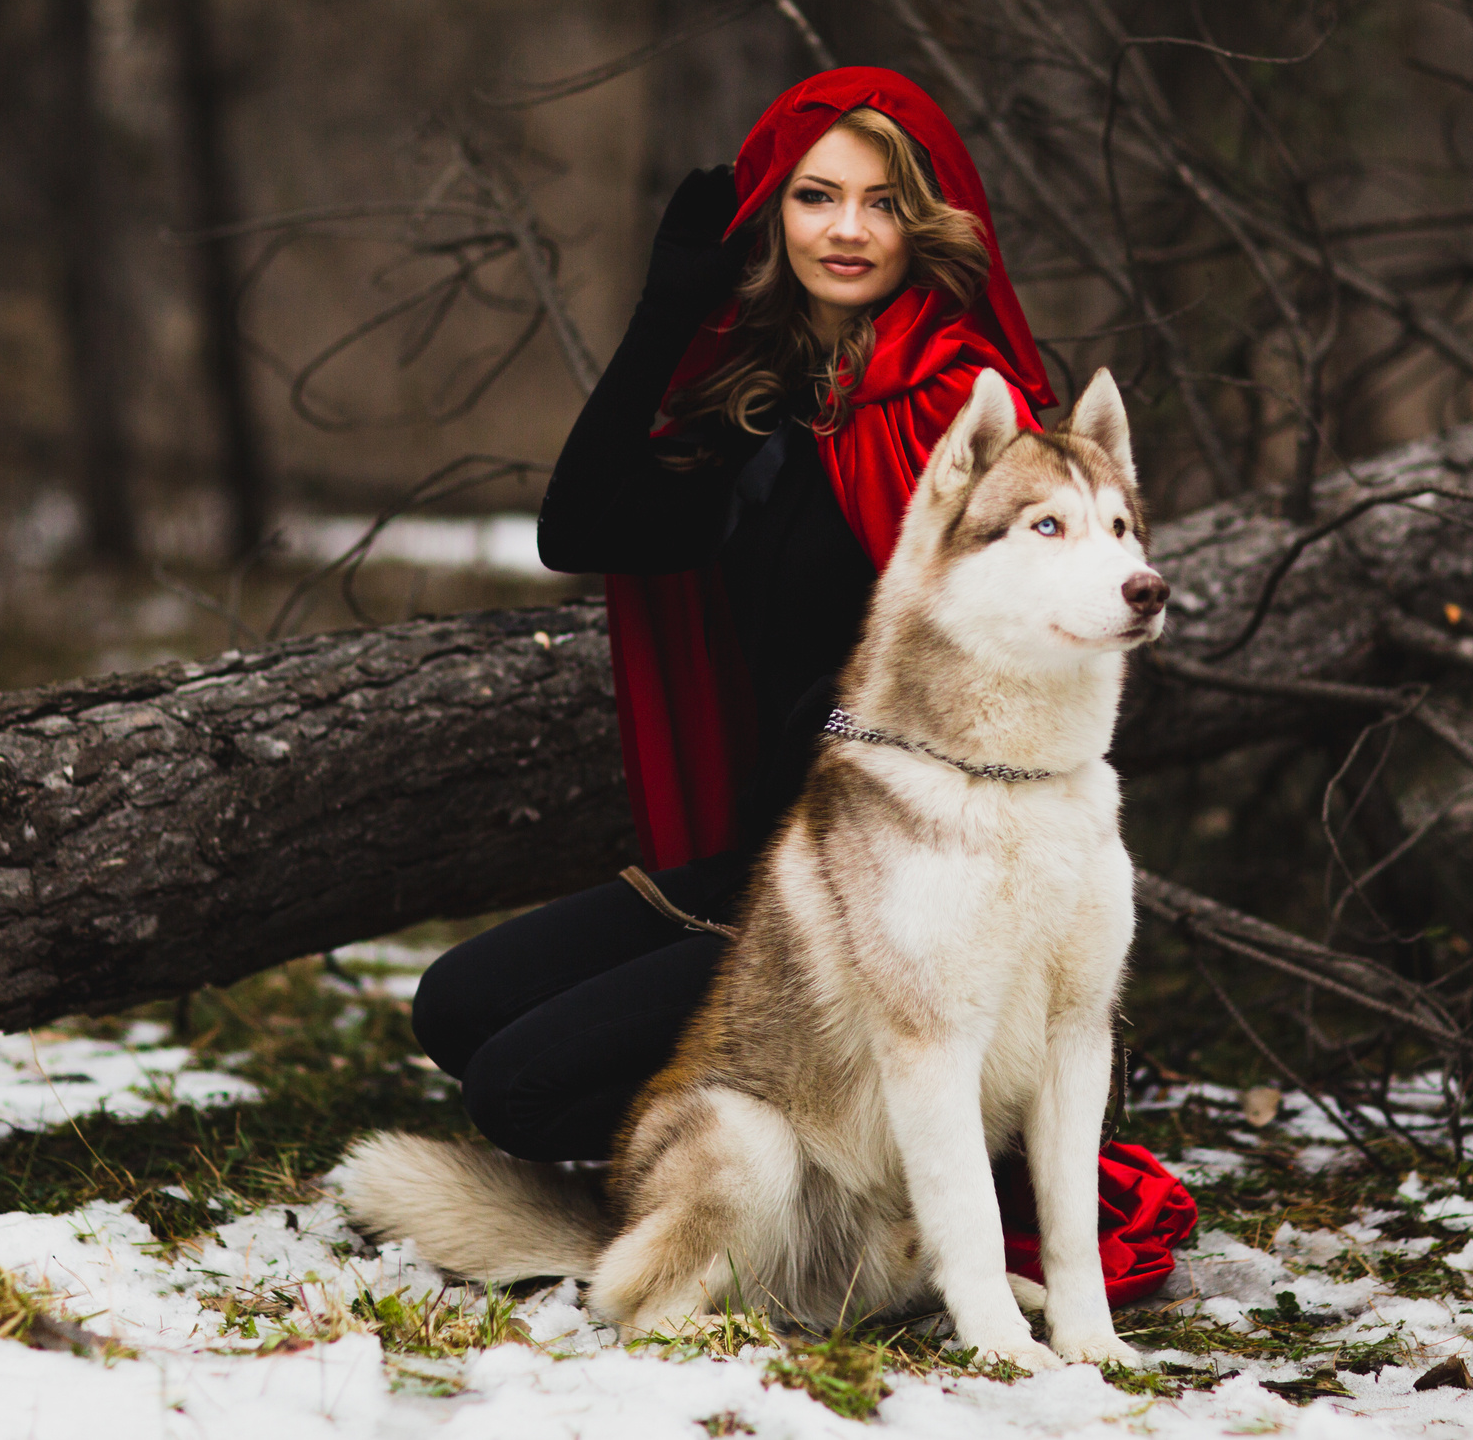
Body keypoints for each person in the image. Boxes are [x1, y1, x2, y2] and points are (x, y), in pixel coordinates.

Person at [409, 67, 1192, 1304]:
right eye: (813, 197)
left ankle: (907, 1183)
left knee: (521, 1087)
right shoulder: (766, 407)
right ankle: (808, 1173)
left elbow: (989, 661)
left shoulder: (953, 410)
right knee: (454, 1009)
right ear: (771, 216)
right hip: (753, 854)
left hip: (887, 860)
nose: (845, 229)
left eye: (881, 203)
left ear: (922, 222)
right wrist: (669, 313)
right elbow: (581, 526)